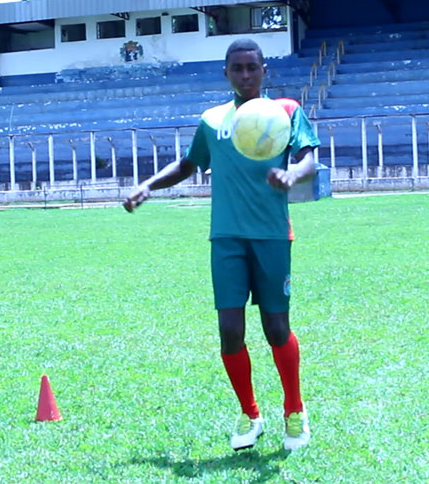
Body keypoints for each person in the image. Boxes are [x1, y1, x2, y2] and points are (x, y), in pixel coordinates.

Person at [123, 38, 320, 451]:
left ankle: (295, 413)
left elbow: (309, 158)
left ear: (265, 70)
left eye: (252, 67)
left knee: (276, 328)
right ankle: (251, 415)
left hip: (270, 235)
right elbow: (188, 164)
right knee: (230, 333)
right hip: (226, 236)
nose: (245, 75)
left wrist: (292, 175)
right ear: (226, 73)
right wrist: (148, 185)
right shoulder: (213, 120)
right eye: (237, 68)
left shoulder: (285, 111)